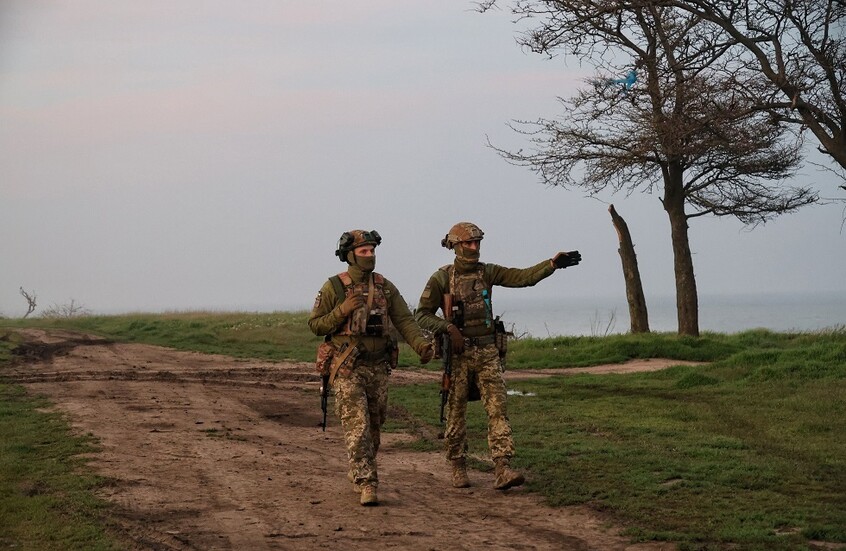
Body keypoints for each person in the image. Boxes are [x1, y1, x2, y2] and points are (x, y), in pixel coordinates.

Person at [414, 222, 581, 490]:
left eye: (477, 243)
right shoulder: (441, 278)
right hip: (458, 355)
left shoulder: (487, 272)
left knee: (497, 409)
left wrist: (551, 265)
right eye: (468, 243)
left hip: (487, 351)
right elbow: (421, 314)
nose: (474, 248)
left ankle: (502, 467)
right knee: (456, 411)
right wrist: (447, 328)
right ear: (456, 246)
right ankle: (457, 464)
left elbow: (522, 277)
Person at [309, 229, 434, 506]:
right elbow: (316, 325)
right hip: (348, 367)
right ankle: (368, 482)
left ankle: (359, 469)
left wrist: (421, 346)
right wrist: (342, 311)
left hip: (378, 368)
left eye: (373, 250)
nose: (370, 256)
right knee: (358, 427)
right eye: (364, 251)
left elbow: (404, 320)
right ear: (349, 255)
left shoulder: (385, 287)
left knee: (375, 427)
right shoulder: (334, 287)